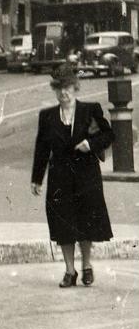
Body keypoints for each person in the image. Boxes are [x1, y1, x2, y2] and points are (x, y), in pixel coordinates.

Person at [31, 64, 114, 288]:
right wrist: (37, 178)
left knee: (86, 221)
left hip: (86, 175)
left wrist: (91, 143)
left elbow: (109, 135)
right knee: (63, 224)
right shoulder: (47, 116)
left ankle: (87, 266)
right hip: (60, 177)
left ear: (75, 88)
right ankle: (70, 271)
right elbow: (41, 149)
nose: (63, 93)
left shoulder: (90, 110)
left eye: (67, 88)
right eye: (58, 89)